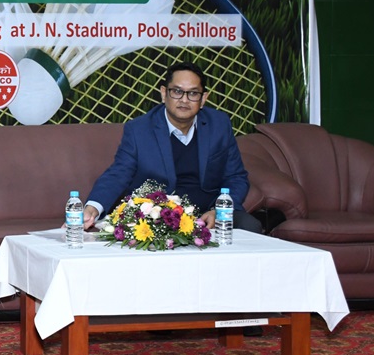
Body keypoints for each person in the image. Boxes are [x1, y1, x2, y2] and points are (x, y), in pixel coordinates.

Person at [83, 61, 260, 233]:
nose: (184, 100)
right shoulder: (139, 130)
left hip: (209, 212)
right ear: (163, 93)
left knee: (250, 226)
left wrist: (218, 211)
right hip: (160, 216)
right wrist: (93, 207)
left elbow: (236, 177)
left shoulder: (219, 125)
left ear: (203, 98)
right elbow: (118, 174)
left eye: (193, 94)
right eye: (177, 91)